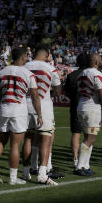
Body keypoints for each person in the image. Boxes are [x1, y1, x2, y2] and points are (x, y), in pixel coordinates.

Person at [0, 46, 35, 184]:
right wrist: (40, 114)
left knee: (1, 141)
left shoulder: (2, 72)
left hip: (4, 108)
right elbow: (35, 96)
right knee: (15, 146)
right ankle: (13, 178)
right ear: (23, 57)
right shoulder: (28, 73)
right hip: (18, 111)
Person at [22, 44, 62, 185]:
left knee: (28, 138)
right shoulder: (51, 68)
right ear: (46, 54)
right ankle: (42, 174)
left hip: (26, 105)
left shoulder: (25, 66)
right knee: (46, 139)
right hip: (43, 106)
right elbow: (57, 92)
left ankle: (26, 172)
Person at [74, 52, 102, 176]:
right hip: (92, 107)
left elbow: (80, 91)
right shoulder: (96, 73)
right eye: (100, 59)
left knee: (88, 137)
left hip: (82, 105)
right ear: (95, 62)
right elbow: (101, 92)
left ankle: (85, 165)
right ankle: (79, 166)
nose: (101, 60)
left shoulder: (81, 74)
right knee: (90, 138)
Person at [64, 53, 89, 170]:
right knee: (89, 135)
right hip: (89, 106)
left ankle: (75, 159)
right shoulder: (90, 74)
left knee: (76, 133)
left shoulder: (72, 75)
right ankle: (84, 160)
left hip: (75, 106)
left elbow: (66, 92)